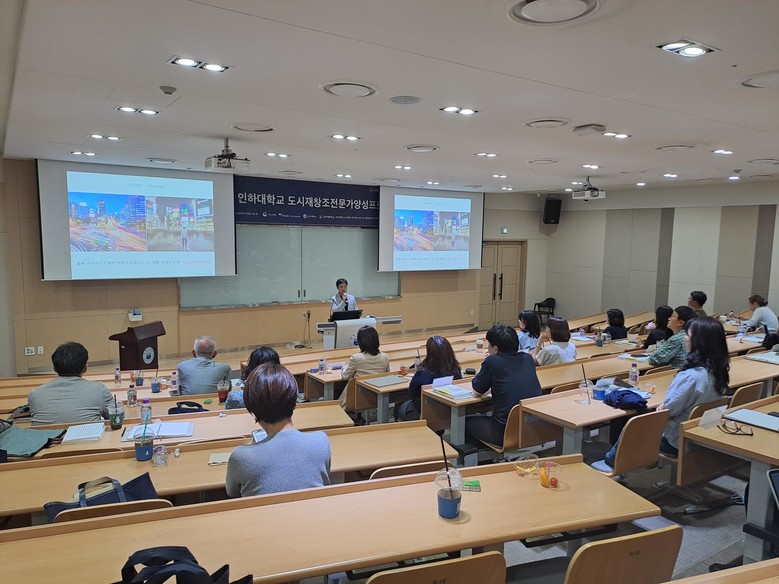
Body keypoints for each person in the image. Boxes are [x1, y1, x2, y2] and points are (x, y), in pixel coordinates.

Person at [603, 317, 729, 467]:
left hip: (674, 439)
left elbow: (668, 411)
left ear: (699, 342)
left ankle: (613, 460)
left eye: (688, 335)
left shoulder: (691, 376)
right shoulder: (718, 371)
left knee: (632, 424)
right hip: (699, 431)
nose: (685, 338)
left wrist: (664, 406)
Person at [225, 363, 331, 497]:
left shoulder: (241, 456)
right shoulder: (321, 441)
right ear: (294, 403)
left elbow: (231, 492)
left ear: (252, 409)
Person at [465, 323, 542, 446]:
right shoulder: (527, 358)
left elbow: (477, 390)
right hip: (532, 428)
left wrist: (485, 363)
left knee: (462, 423)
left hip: (504, 432)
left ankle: (480, 455)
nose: (487, 348)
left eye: (489, 345)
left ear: (495, 349)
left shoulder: (492, 361)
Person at [28, 342, 113, 425]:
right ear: (85, 368)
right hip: (86, 434)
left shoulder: (35, 394)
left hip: (45, 435)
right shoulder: (99, 390)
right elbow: (114, 417)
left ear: (54, 368)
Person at [395, 336, 462, 421]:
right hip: (449, 413)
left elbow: (412, 393)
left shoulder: (423, 372)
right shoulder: (456, 370)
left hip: (423, 414)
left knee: (398, 407)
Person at [339, 325, 390, 408]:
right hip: (377, 395)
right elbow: (387, 375)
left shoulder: (356, 358)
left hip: (358, 396)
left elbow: (346, 376)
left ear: (360, 342)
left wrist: (343, 369)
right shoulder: (385, 357)